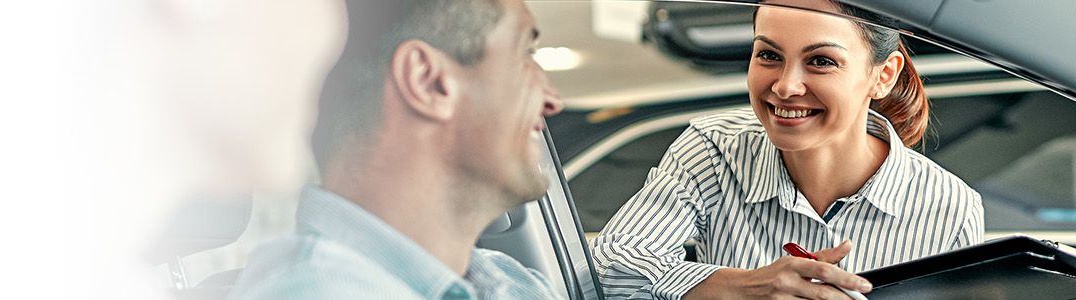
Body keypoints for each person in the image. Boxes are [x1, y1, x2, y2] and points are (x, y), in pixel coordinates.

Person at [589, 0, 985, 299]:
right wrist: (746, 287)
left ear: (883, 75)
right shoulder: (713, 151)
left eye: (820, 61)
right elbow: (610, 266)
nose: (785, 86)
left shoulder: (949, 207)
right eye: (769, 55)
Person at [228, 0, 567, 298]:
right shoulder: (317, 292)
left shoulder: (509, 281)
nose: (553, 101)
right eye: (525, 54)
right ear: (427, 81)